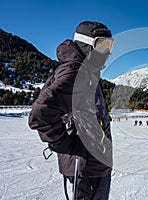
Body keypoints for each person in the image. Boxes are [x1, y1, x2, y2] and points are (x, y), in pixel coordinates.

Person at [28, 21, 114, 200]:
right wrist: (64, 143)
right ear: (87, 44)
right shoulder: (77, 73)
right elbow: (40, 115)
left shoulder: (88, 72)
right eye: (102, 45)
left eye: (110, 45)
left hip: (95, 166)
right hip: (85, 169)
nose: (107, 52)